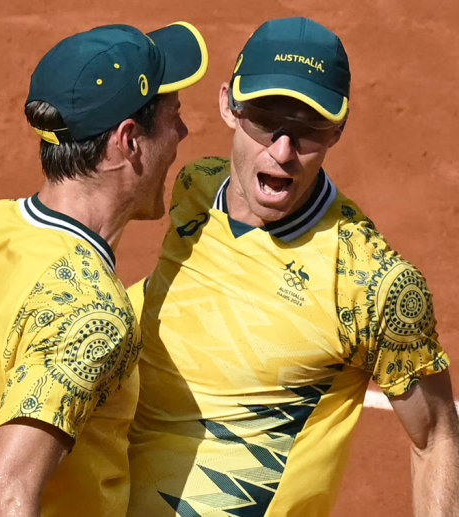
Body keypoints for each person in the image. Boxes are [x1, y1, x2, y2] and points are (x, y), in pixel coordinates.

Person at [127, 17, 459, 516]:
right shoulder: (195, 188)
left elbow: (435, 438)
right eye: (265, 120)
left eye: (309, 130)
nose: (283, 152)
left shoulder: (371, 283)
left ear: (338, 131)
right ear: (228, 105)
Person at [0, 22, 208, 516]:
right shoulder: (92, 312)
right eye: (174, 116)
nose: (183, 133)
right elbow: (2, 499)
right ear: (130, 140)